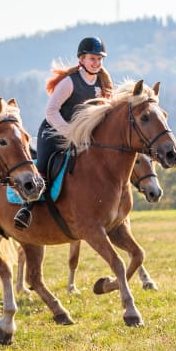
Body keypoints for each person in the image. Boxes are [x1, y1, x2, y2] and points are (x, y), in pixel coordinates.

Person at [13, 36, 113, 229]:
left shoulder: (103, 83)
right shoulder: (70, 82)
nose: (96, 63)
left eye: (99, 59)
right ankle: (27, 208)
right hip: (54, 133)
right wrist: (71, 132)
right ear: (81, 60)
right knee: (43, 167)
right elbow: (51, 111)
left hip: (83, 136)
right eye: (92, 58)